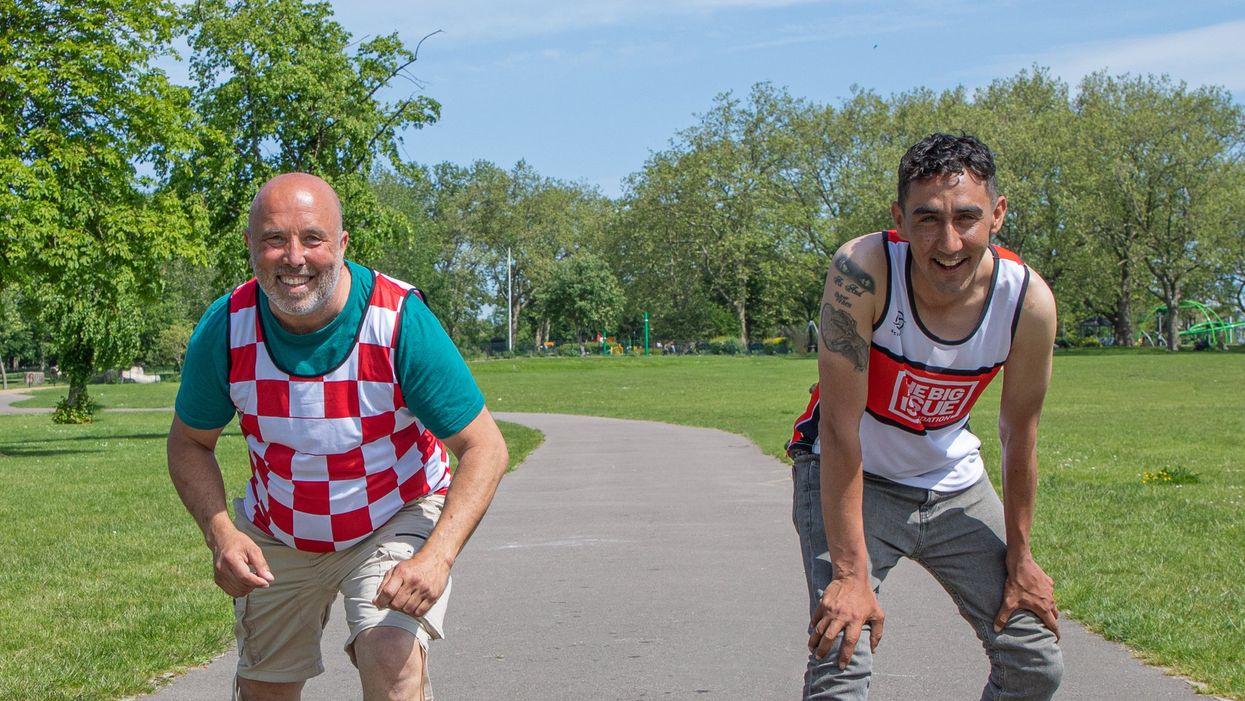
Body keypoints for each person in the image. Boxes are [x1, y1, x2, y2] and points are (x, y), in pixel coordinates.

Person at [167, 173, 508, 701]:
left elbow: (485, 446)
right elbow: (190, 442)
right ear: (251, 247)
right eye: (275, 239)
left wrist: (436, 558)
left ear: (343, 244)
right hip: (279, 528)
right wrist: (222, 535)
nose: (293, 257)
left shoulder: (397, 320)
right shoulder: (228, 326)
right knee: (264, 688)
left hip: (393, 513)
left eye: (312, 238)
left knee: (391, 659)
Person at [788, 134, 1062, 699]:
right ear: (898, 218)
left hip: (951, 481)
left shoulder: (1027, 302)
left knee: (1032, 659)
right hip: (852, 478)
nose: (950, 241)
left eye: (968, 217)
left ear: (998, 214)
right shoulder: (862, 273)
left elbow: (1020, 435)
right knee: (843, 655)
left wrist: (1023, 555)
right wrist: (848, 574)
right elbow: (840, 430)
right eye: (928, 219)